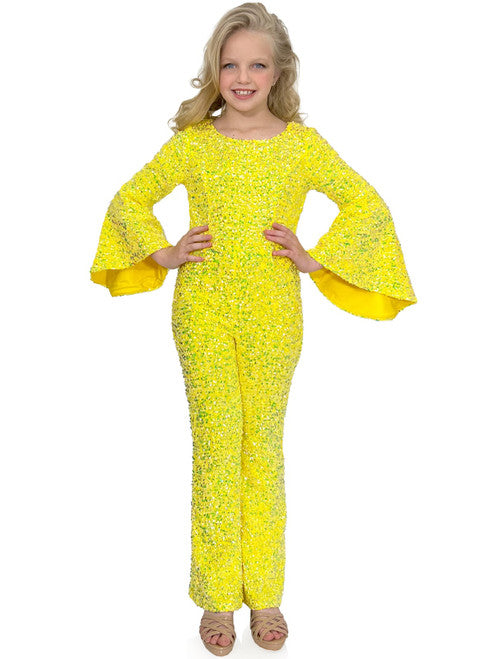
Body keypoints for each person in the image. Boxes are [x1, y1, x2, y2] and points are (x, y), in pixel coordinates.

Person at [89, 2, 417, 654]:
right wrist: (163, 252)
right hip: (203, 310)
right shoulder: (194, 143)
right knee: (217, 446)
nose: (242, 78)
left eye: (257, 65)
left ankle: (265, 592)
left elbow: (366, 203)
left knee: (262, 447)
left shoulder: (302, 146)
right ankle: (217, 597)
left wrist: (314, 258)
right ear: (215, 70)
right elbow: (131, 196)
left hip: (274, 313)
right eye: (230, 64)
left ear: (279, 71)